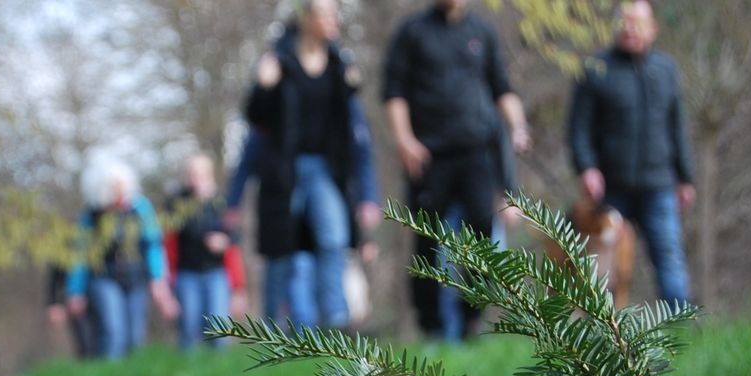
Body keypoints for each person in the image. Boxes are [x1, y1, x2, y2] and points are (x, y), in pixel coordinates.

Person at [383, 0, 532, 339]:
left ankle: (471, 319)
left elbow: (502, 90)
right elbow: (394, 93)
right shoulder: (412, 33)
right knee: (427, 241)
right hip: (427, 156)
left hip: (476, 155)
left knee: (484, 237)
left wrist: (518, 125)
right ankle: (431, 327)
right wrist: (404, 140)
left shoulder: (481, 32)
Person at [242, 0, 381, 331]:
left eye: (336, 14)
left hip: (325, 170)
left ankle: (335, 325)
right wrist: (263, 87)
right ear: (305, 17)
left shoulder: (339, 65)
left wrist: (367, 190)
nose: (335, 20)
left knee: (334, 239)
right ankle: (273, 331)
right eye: (327, 13)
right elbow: (254, 119)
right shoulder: (279, 61)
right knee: (282, 250)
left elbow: (357, 138)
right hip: (285, 172)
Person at [567, 0, 695, 306]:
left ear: (652, 29)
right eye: (624, 22)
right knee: (605, 266)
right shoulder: (596, 69)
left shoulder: (665, 71)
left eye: (637, 23)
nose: (630, 30)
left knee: (669, 256)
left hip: (659, 185)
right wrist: (587, 168)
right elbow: (578, 129)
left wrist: (685, 177)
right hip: (612, 188)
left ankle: (680, 330)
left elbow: (677, 128)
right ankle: (607, 332)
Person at [66, 159, 178, 359]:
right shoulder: (93, 215)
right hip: (104, 278)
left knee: (135, 336)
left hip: (135, 278)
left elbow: (152, 245)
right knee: (113, 331)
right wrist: (76, 290)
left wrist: (157, 279)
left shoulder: (140, 209)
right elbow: (81, 254)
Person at [164, 154, 234, 351]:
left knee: (219, 329)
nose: (196, 179)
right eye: (192, 174)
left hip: (216, 273)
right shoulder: (177, 203)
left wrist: (224, 240)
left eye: (201, 175)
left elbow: (234, 234)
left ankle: (221, 374)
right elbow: (176, 232)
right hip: (187, 274)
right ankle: (186, 375)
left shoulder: (220, 202)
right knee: (188, 327)